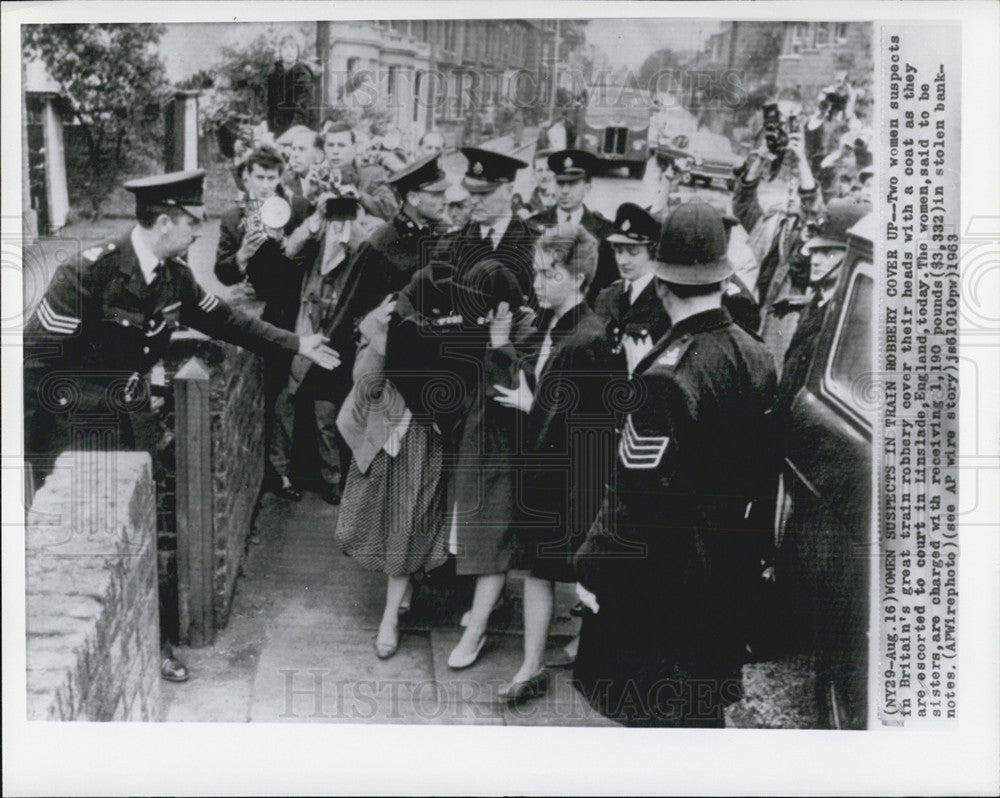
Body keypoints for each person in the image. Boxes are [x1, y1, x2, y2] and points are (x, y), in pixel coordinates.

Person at [23, 170, 340, 683]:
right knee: (84, 548)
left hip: (135, 427)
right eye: (193, 222)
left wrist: (294, 342)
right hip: (78, 437)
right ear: (165, 221)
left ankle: (158, 644)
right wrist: (32, 458)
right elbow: (33, 367)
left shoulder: (173, 276)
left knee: (148, 538)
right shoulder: (88, 273)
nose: (200, 232)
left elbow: (228, 320)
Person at [572, 201, 777, 727]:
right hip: (726, 570)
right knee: (699, 716)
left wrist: (593, 568)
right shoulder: (754, 353)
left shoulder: (664, 375)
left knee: (656, 723)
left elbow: (633, 492)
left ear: (662, 284)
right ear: (723, 278)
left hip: (663, 584)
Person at [488, 226, 617, 704]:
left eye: (550, 274)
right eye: (537, 273)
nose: (537, 284)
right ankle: (532, 664)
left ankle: (568, 661)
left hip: (570, 481)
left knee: (573, 573)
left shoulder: (585, 338)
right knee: (542, 572)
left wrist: (531, 406)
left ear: (579, 276)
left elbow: (577, 419)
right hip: (553, 476)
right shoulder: (558, 325)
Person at [334, 294, 449, 658]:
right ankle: (396, 604)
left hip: (432, 435)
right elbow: (364, 381)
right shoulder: (388, 314)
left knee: (414, 522)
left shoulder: (459, 314)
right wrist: (381, 338)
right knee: (391, 523)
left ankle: (394, 608)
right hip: (391, 432)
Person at [213, 145, 314, 499]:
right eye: (259, 177)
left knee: (296, 388)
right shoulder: (233, 218)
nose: (266, 185)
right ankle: (275, 470)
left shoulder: (299, 209)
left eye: (272, 178)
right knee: (271, 389)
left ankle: (294, 467)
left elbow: (316, 258)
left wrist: (288, 241)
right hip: (262, 311)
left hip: (298, 308)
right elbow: (222, 273)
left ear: (282, 178)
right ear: (246, 177)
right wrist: (243, 254)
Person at [267, 195, 365, 505]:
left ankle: (332, 479)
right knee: (290, 397)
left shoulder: (359, 234)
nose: (338, 217)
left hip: (338, 326)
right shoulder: (317, 232)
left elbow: (368, 254)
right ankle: (280, 472)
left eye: (344, 210)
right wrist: (316, 219)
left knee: (327, 406)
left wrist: (352, 224)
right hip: (307, 321)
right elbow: (289, 250)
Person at [774, 198, 870, 420]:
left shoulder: (846, 316)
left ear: (849, 258)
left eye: (828, 253)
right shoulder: (819, 297)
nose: (815, 261)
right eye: (815, 251)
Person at [441, 147, 538, 304]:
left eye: (484, 193)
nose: (473, 201)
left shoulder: (534, 242)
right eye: (472, 192)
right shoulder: (452, 243)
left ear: (508, 192)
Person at [528, 150, 617, 306]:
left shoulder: (605, 232)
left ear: (587, 187)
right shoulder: (533, 226)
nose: (564, 191)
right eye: (560, 183)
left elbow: (609, 287)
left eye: (573, 184)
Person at [593, 202, 670, 372]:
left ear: (652, 251)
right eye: (618, 251)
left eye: (633, 252)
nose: (622, 261)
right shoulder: (606, 296)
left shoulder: (665, 300)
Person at [321, 122, 399, 220]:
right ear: (324, 148)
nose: (335, 151)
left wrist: (359, 196)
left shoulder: (371, 174)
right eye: (330, 145)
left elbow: (390, 212)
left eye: (341, 145)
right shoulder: (319, 176)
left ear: (354, 148)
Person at [267, 36, 317, 137]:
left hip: (300, 127)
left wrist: (291, 134)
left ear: (298, 52)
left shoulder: (303, 74)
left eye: (293, 48)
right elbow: (270, 104)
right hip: (279, 126)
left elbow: (303, 108)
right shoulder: (274, 73)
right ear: (280, 51)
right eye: (285, 47)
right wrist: (269, 129)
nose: (289, 51)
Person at [282, 128, 324, 202]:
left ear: (319, 156)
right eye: (293, 149)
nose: (294, 154)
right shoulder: (284, 184)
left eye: (302, 149)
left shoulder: (329, 183)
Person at [525, 148, 558, 215]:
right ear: (534, 174)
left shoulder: (568, 202)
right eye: (540, 170)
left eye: (548, 170)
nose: (544, 175)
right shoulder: (526, 209)